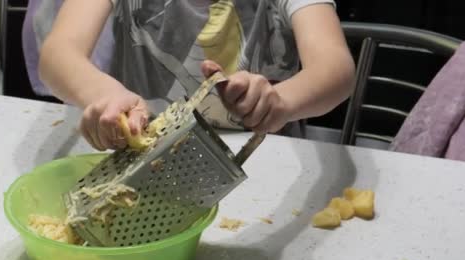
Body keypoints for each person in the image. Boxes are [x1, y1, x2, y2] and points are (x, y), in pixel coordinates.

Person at [23, 0, 355, 151]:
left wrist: (282, 100)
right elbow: (57, 54)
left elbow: (335, 68)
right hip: (148, 153)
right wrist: (102, 92)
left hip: (258, 159)